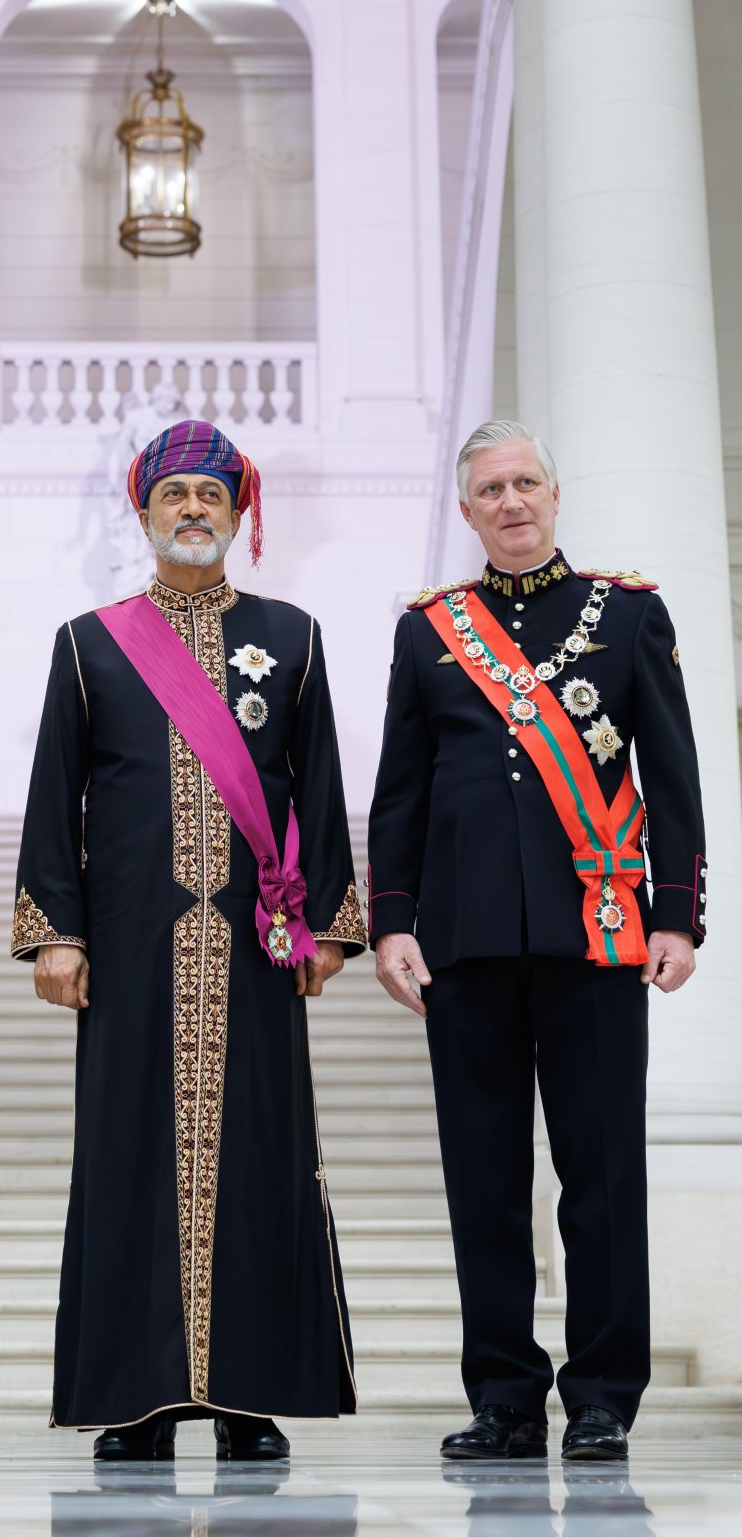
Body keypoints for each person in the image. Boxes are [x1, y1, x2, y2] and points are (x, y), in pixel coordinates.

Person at [13, 419, 366, 1462]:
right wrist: (56, 933)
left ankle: (249, 1396)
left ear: (239, 510)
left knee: (260, 1156)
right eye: (177, 497)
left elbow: (325, 789)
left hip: (256, 950)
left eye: (213, 494)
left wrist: (331, 922)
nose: (195, 510)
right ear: (146, 513)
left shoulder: (291, 636)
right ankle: (141, 1399)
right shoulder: (88, 641)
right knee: (127, 1159)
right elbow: (52, 797)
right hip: (129, 950)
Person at [367, 419, 706, 1464]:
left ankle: (602, 1395)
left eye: (526, 484)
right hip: (466, 943)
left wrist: (678, 914)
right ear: (466, 511)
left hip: (596, 937)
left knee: (602, 1173)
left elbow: (673, 773)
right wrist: (391, 918)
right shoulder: (431, 632)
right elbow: (400, 793)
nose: (512, 502)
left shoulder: (630, 615)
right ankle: (506, 1399)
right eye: (490, 490)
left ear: (554, 497)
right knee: (483, 1179)